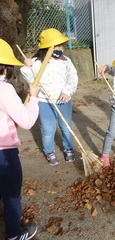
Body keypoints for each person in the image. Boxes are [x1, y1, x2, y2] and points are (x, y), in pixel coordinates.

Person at [20, 28, 78, 166]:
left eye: (62, 46)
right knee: (48, 129)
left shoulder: (65, 60)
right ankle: (49, 151)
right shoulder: (36, 62)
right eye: (58, 46)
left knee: (66, 127)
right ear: (47, 47)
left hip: (64, 100)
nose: (61, 49)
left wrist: (67, 91)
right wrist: (26, 67)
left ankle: (68, 148)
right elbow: (30, 79)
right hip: (44, 102)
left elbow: (73, 77)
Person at [0, 38, 39, 239]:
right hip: (3, 153)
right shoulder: (4, 89)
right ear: (5, 68)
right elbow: (26, 121)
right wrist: (33, 98)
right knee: (12, 195)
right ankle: (14, 235)